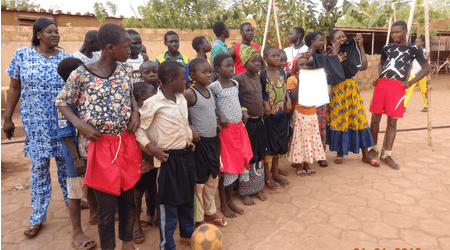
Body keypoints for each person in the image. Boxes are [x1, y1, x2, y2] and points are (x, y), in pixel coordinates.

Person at [56, 23, 141, 250]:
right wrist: (80, 125)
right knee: (106, 206)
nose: (130, 50)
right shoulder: (81, 74)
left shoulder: (125, 71)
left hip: (125, 142)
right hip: (99, 147)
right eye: (126, 46)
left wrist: (135, 113)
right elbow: (62, 102)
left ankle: (127, 243)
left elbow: (130, 94)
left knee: (127, 199)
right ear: (110, 48)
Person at [3, 17, 73, 238]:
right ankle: (37, 217)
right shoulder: (22, 56)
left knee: (67, 167)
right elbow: (14, 88)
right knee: (39, 170)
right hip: (36, 125)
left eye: (57, 32)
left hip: (62, 123)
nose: (55, 35)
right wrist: (7, 118)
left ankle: (72, 206)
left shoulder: (66, 59)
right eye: (50, 31)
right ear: (38, 34)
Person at [135, 60, 196, 249]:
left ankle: (187, 234)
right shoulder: (153, 103)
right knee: (167, 204)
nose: (186, 82)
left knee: (187, 199)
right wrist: (150, 148)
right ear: (170, 80)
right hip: (168, 159)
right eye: (182, 79)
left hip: (186, 156)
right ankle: (166, 244)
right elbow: (139, 130)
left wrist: (189, 134)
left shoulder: (181, 99)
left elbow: (182, 122)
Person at [369, 21, 430, 169]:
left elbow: (426, 68)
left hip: (397, 87)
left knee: (392, 121)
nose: (394, 35)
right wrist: (381, 77)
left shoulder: (414, 48)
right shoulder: (387, 47)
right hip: (382, 86)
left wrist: (410, 82)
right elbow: (381, 63)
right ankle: (373, 149)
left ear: (405, 32)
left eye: (397, 32)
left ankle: (387, 155)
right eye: (392, 32)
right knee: (375, 118)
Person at [56, 57, 97, 250]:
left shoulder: (85, 93)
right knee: (76, 191)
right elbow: (64, 133)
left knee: (92, 184)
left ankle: (94, 214)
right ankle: (76, 232)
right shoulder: (64, 98)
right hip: (75, 155)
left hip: (91, 150)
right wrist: (76, 158)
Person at [184, 58, 228, 227]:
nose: (209, 75)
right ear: (193, 76)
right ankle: (199, 217)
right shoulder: (190, 93)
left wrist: (220, 115)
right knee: (199, 183)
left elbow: (210, 108)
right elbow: (181, 112)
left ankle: (210, 212)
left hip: (213, 142)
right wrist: (190, 127)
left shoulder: (209, 91)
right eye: (205, 72)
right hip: (200, 144)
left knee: (212, 179)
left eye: (210, 71)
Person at [209, 53, 252, 218]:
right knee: (225, 168)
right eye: (227, 66)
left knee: (237, 164)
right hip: (225, 133)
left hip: (238, 129)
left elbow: (238, 102)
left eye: (232, 66)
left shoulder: (235, 83)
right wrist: (220, 114)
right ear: (218, 69)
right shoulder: (215, 87)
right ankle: (223, 203)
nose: (231, 69)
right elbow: (211, 106)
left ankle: (230, 199)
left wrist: (243, 110)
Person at [327, 30, 378, 166]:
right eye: (338, 38)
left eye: (343, 36)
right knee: (339, 120)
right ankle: (339, 153)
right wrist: (335, 55)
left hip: (352, 90)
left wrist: (361, 46)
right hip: (337, 91)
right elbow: (331, 75)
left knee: (358, 119)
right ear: (332, 42)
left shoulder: (352, 50)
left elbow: (365, 66)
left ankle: (365, 155)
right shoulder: (330, 55)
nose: (342, 39)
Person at [233, 44, 267, 205]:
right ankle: (244, 191)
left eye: (258, 61)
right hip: (248, 124)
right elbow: (232, 96)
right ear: (245, 63)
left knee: (259, 154)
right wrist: (243, 109)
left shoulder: (259, 76)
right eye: (253, 61)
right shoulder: (239, 78)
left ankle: (257, 188)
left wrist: (264, 103)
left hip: (259, 121)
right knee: (248, 156)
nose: (257, 64)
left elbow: (258, 95)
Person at [287, 55, 327, 175]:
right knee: (300, 138)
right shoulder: (292, 79)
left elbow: (318, 94)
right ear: (295, 66)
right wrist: (300, 80)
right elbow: (294, 96)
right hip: (299, 113)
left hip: (312, 113)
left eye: (306, 65)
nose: (304, 67)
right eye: (301, 64)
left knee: (310, 138)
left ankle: (307, 164)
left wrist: (321, 79)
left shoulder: (312, 79)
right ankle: (299, 165)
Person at [260, 45, 291, 188]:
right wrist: (264, 103)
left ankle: (276, 172)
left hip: (281, 114)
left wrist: (288, 101)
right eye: (273, 56)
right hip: (268, 117)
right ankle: (267, 176)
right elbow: (259, 93)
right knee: (268, 146)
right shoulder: (262, 74)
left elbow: (284, 90)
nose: (277, 58)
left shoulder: (282, 73)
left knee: (279, 143)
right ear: (265, 58)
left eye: (278, 56)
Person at [132, 82, 158, 244]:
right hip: (140, 162)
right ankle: (136, 225)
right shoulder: (135, 115)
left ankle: (153, 214)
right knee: (137, 195)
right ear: (142, 96)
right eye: (153, 92)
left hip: (154, 160)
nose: (156, 95)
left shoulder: (154, 110)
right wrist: (149, 156)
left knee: (154, 190)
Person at [304, 32, 330, 167]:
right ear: (313, 42)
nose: (323, 42)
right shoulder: (304, 56)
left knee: (321, 125)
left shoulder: (322, 57)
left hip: (320, 96)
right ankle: (303, 156)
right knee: (307, 126)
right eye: (320, 40)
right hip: (307, 96)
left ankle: (320, 155)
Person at [404, 36, 428, 112]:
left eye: (418, 42)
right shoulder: (413, 51)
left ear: (422, 42)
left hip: (422, 75)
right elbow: (411, 64)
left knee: (424, 91)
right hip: (413, 74)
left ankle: (426, 106)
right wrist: (408, 74)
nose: (416, 43)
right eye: (415, 42)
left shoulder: (425, 51)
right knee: (408, 90)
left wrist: (420, 72)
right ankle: (404, 106)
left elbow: (426, 64)